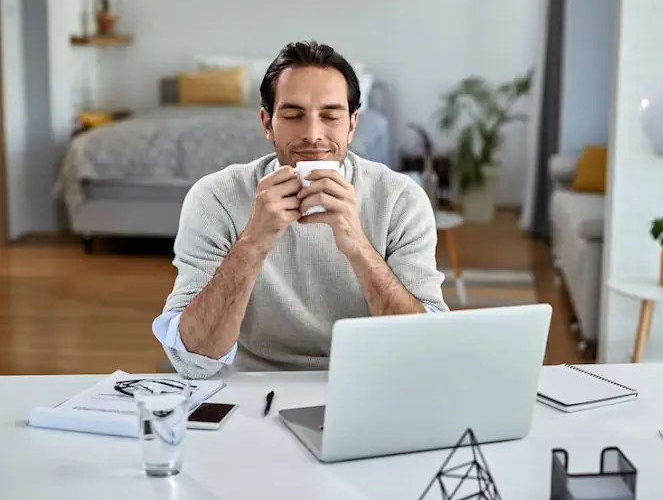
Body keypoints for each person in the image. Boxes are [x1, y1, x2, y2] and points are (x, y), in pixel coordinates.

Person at [152, 41, 448, 379]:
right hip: (252, 387)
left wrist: (357, 244)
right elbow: (192, 359)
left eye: (330, 116)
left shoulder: (401, 200)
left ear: (352, 125)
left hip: (370, 381)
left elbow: (425, 348)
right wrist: (254, 242)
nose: (313, 135)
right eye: (293, 115)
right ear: (267, 124)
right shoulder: (216, 197)